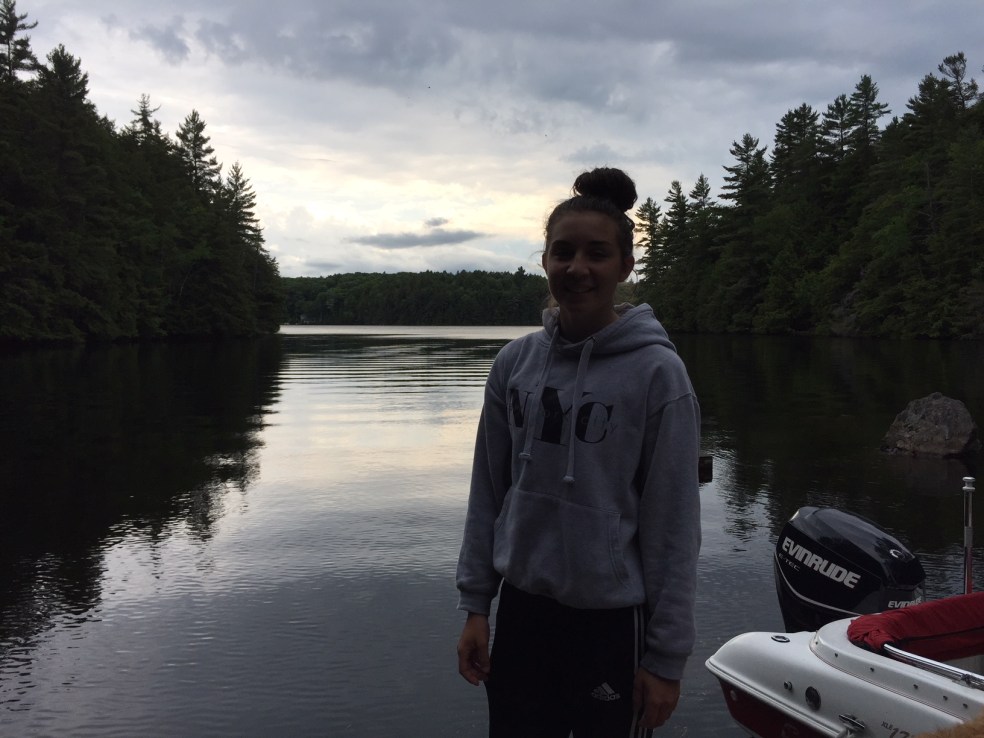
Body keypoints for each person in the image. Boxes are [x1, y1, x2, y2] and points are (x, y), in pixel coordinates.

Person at [455, 167, 702, 737]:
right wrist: (475, 606)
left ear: (625, 266)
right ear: (544, 260)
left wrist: (665, 660)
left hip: (611, 623)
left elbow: (674, 524)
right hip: (522, 612)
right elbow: (488, 493)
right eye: (562, 252)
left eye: (597, 253)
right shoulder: (514, 366)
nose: (578, 269)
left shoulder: (658, 374)